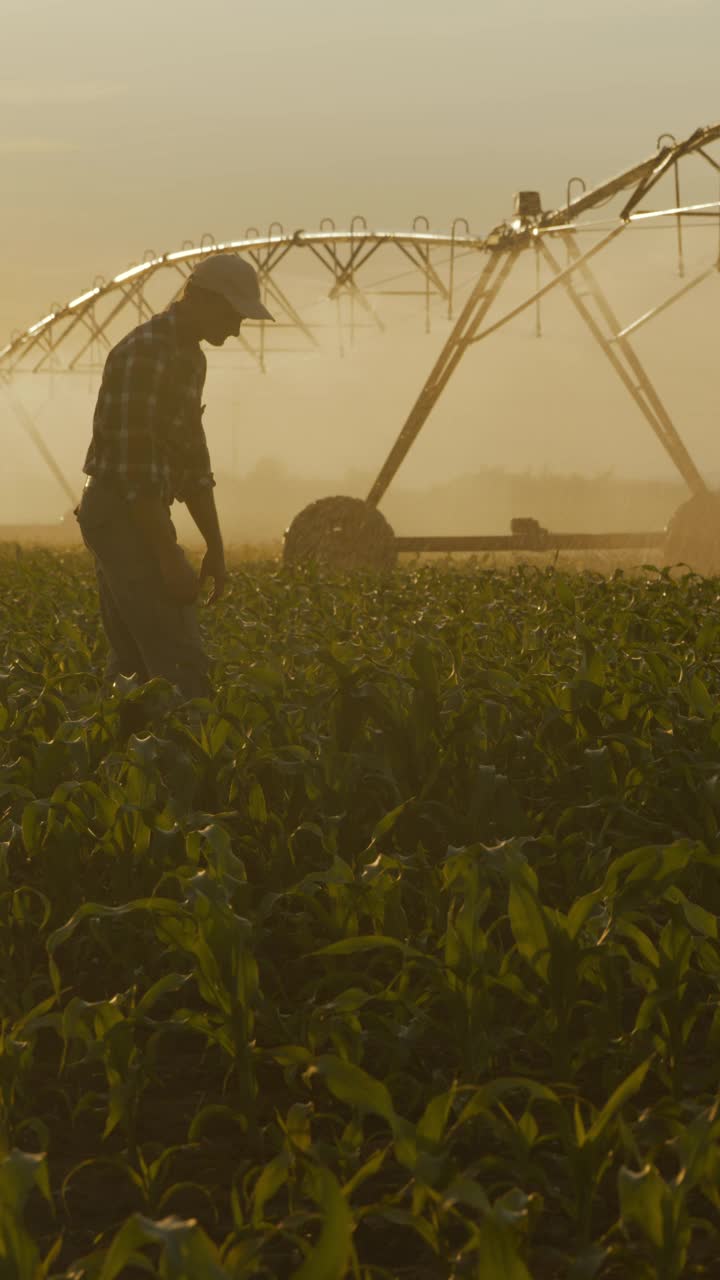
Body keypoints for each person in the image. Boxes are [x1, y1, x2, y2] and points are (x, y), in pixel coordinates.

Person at [76, 253, 273, 698]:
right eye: (234, 315)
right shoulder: (146, 353)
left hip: (131, 510)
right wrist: (168, 556)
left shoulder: (189, 358)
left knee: (133, 665)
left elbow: (193, 463)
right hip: (122, 510)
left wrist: (216, 548)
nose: (238, 328)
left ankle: (122, 756)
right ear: (201, 299)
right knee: (179, 661)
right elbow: (137, 470)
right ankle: (177, 756)